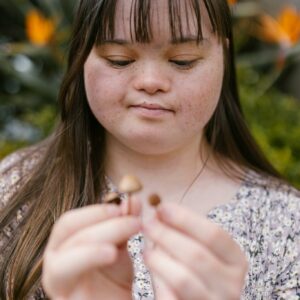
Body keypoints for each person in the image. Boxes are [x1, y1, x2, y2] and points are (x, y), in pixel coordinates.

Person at [0, 0, 299, 299]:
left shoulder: (286, 226)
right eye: (119, 59)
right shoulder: (13, 191)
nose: (150, 82)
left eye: (183, 60)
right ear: (81, 56)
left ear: (223, 53)